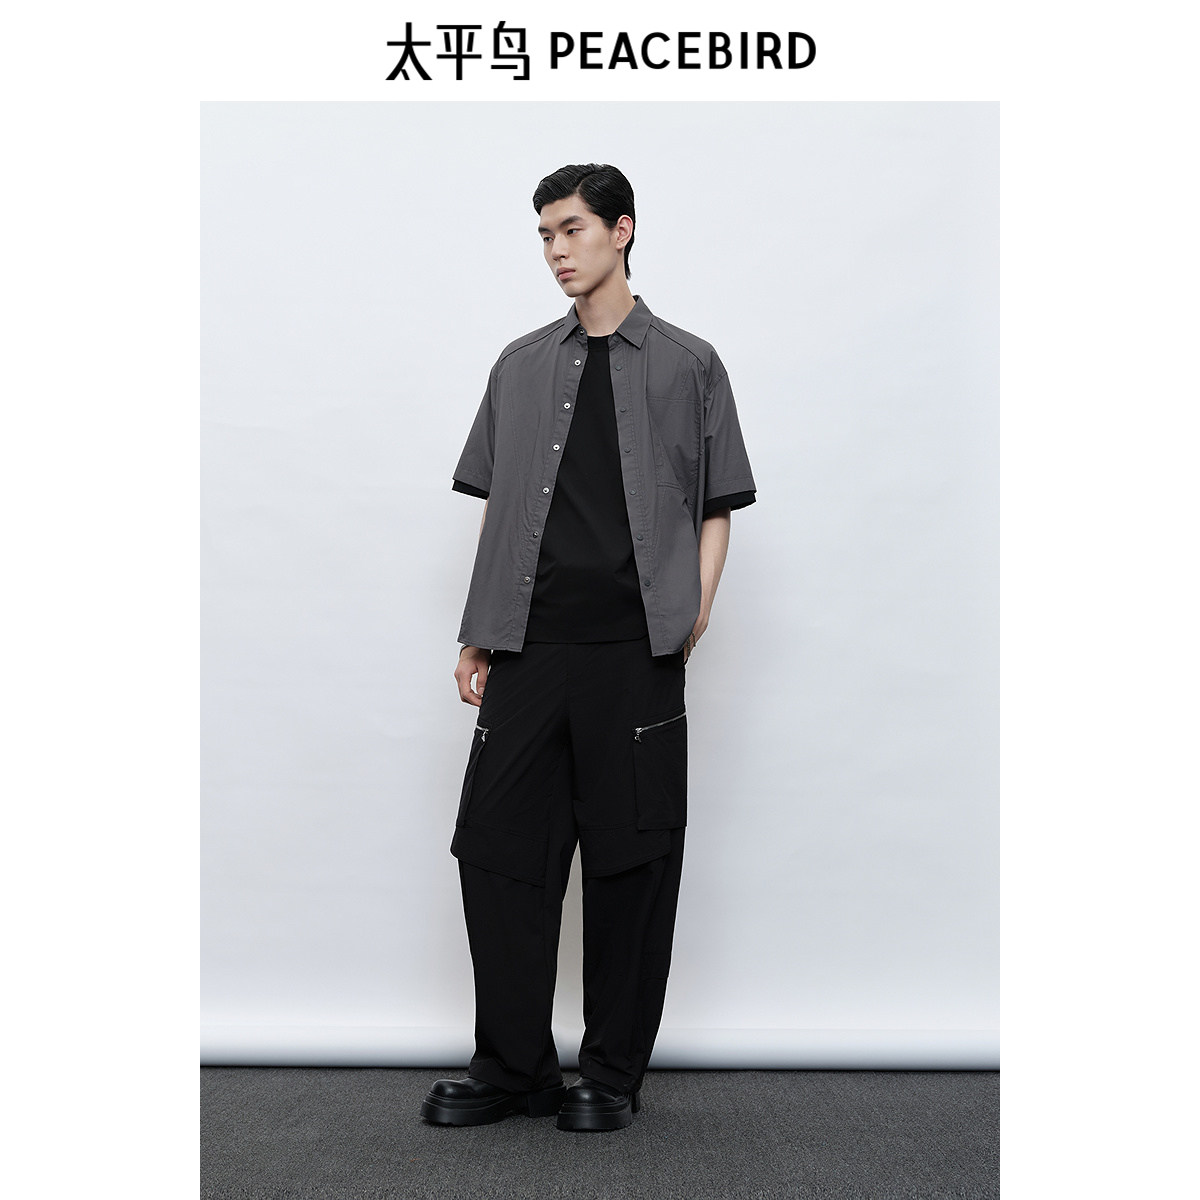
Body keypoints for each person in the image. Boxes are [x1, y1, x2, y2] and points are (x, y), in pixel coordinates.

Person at [420, 163, 756, 1133]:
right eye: (544, 235)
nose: (556, 250)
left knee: (630, 862)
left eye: (571, 229)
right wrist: (479, 629)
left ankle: (609, 1075)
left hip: (633, 654)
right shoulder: (520, 366)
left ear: (623, 229)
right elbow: (498, 514)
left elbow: (718, 504)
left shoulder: (690, 364)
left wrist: (694, 609)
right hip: (528, 648)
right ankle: (512, 1068)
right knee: (497, 853)